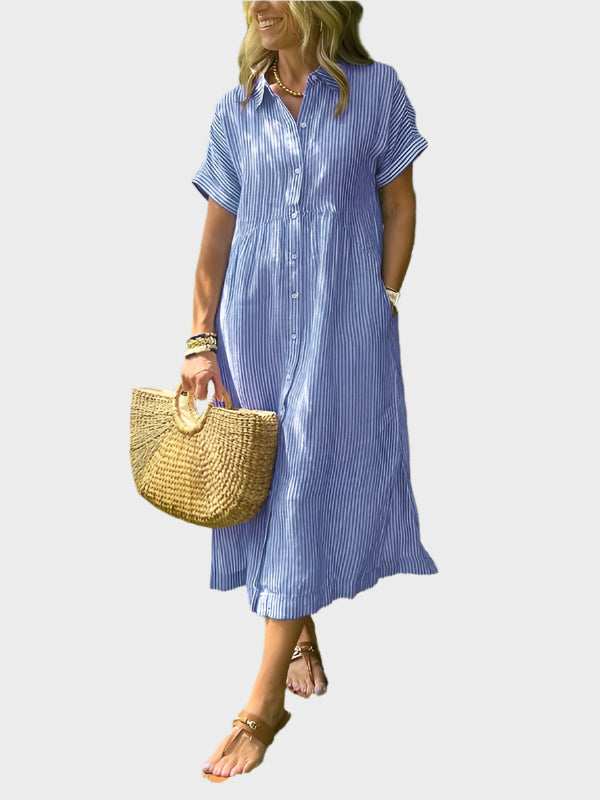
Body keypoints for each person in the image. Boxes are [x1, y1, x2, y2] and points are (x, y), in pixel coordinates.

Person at [180, 0, 438, 781]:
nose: (259, 7)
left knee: (302, 483)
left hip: (340, 329)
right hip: (253, 330)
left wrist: (382, 299)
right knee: (270, 487)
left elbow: (400, 204)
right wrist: (199, 340)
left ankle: (263, 705)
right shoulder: (236, 111)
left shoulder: (377, 92)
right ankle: (299, 631)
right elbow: (216, 235)